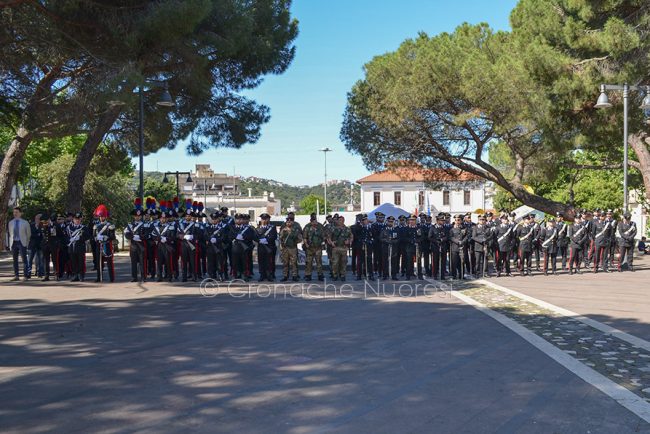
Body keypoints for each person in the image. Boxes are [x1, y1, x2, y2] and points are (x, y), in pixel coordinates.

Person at [153, 202, 178, 282]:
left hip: (167, 246)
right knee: (159, 262)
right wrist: (158, 239)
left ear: (166, 219)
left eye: (164, 218)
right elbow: (153, 236)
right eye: (161, 218)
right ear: (160, 219)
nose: (163, 219)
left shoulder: (170, 227)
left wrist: (167, 239)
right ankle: (159, 276)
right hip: (159, 246)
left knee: (168, 262)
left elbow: (173, 237)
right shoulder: (157, 227)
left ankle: (169, 276)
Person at [124, 198, 148, 282]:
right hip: (133, 246)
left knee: (142, 262)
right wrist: (132, 237)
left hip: (141, 245)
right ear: (134, 216)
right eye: (136, 216)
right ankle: (134, 277)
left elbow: (147, 235)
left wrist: (140, 237)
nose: (137, 217)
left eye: (139, 216)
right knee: (133, 262)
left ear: (141, 216)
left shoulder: (144, 225)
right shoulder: (130, 225)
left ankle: (143, 277)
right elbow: (126, 234)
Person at [93, 204, 116, 282]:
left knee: (109, 262)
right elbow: (94, 236)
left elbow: (113, 237)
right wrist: (97, 238)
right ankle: (99, 278)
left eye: (103, 216)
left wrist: (106, 237)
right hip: (99, 245)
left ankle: (111, 278)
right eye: (100, 216)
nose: (101, 218)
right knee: (98, 262)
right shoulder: (96, 226)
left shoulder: (110, 226)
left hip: (107, 245)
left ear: (105, 216)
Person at [8, 206, 31, 281]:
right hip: (14, 242)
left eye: (17, 212)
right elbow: (10, 234)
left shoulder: (25, 222)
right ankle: (16, 275)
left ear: (20, 213)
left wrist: (26, 243)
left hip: (22, 242)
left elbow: (28, 234)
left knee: (24, 259)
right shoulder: (10, 223)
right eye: (14, 212)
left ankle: (25, 275)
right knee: (15, 260)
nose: (15, 214)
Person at [328, 216, 353, 281]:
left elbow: (351, 237)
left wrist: (349, 241)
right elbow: (329, 237)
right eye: (339, 220)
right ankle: (335, 275)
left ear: (344, 221)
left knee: (343, 262)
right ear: (338, 221)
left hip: (344, 248)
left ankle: (342, 275)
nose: (341, 221)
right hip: (335, 248)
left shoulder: (347, 229)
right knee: (335, 262)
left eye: (342, 220)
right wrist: (331, 242)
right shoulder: (333, 229)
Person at [67, 212, 90, 282]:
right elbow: (65, 237)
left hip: (80, 247)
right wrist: (68, 240)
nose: (77, 220)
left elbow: (87, 236)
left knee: (81, 262)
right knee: (73, 262)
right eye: (76, 219)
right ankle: (75, 275)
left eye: (79, 219)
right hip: (71, 247)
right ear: (73, 219)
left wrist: (80, 238)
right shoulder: (69, 227)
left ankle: (81, 275)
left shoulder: (83, 227)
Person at [303, 213, 326, 281]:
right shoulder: (307, 227)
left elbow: (324, 236)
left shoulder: (320, 227)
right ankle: (308, 275)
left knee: (319, 262)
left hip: (318, 247)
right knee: (309, 262)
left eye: (315, 219)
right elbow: (304, 237)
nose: (314, 222)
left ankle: (320, 275)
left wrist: (322, 242)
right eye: (313, 220)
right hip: (310, 248)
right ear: (311, 220)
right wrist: (306, 244)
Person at [279, 216, 302, 281]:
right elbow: (280, 238)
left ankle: (294, 275)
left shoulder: (296, 230)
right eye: (287, 222)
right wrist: (281, 246)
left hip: (293, 248)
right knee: (285, 263)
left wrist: (295, 242)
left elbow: (300, 239)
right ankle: (285, 275)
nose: (289, 223)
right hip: (285, 248)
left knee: (294, 263)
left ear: (292, 222)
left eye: (290, 221)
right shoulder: (283, 230)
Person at [41, 213, 63, 281]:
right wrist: (45, 227)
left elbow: (60, 235)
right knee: (46, 261)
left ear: (49, 219)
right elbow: (42, 235)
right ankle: (46, 275)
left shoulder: (55, 225)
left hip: (53, 245)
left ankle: (56, 274)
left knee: (54, 260)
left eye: (46, 221)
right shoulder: (42, 225)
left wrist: (58, 243)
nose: (44, 222)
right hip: (45, 245)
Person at [256, 213, 276, 282]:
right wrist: (259, 240)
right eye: (262, 219)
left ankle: (269, 275)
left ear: (268, 219)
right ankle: (262, 275)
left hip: (269, 247)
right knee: (261, 261)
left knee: (269, 262)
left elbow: (274, 236)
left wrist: (266, 240)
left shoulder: (272, 228)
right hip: (261, 248)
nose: (263, 220)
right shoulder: (258, 228)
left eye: (265, 219)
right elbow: (255, 237)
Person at [428, 213, 449, 280]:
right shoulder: (433, 227)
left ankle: (442, 275)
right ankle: (435, 274)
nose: (443, 222)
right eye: (441, 220)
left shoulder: (445, 228)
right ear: (437, 221)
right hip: (435, 247)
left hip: (443, 246)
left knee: (443, 262)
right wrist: (436, 241)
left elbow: (447, 236)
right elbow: (429, 237)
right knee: (435, 261)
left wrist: (443, 239)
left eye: (443, 221)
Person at [449, 215, 468, 280]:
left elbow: (467, 236)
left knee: (462, 262)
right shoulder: (452, 229)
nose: (457, 221)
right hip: (455, 248)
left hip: (462, 247)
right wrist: (457, 241)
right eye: (456, 220)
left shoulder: (464, 228)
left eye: (459, 220)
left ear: (461, 221)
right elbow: (451, 237)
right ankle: (454, 275)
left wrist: (462, 242)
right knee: (454, 262)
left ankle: (461, 275)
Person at [380, 216, 400, 280]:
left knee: (394, 262)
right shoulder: (384, 230)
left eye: (391, 222)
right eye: (389, 222)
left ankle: (394, 275)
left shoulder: (395, 230)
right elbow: (381, 238)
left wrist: (393, 241)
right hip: (385, 248)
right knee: (385, 261)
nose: (390, 223)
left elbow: (398, 239)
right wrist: (387, 241)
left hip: (393, 248)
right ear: (387, 222)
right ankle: (385, 275)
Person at [28, 213, 44, 278]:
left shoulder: (42, 225)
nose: (37, 220)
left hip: (40, 245)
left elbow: (43, 235)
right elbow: (30, 234)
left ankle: (40, 273)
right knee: (30, 260)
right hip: (32, 245)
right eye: (36, 218)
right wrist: (38, 234)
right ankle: (28, 273)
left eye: (39, 219)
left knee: (40, 260)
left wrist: (38, 234)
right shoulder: (31, 225)